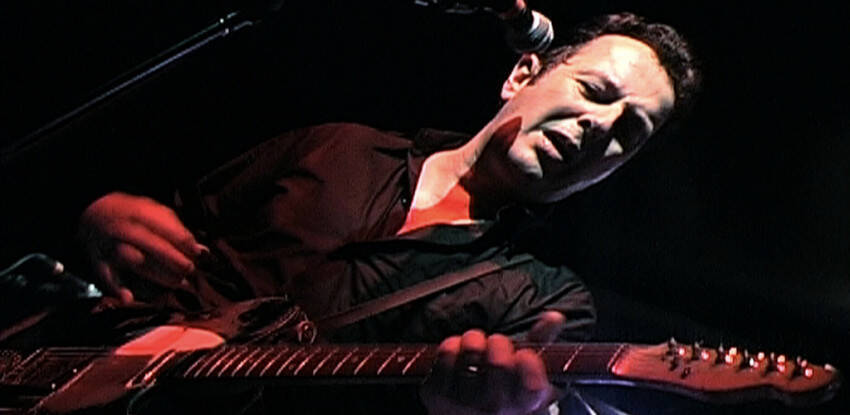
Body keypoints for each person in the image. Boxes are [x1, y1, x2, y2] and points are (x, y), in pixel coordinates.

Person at [74, 11, 700, 415]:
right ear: (521, 74)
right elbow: (165, 227)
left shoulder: (544, 301)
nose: (600, 126)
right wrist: (97, 218)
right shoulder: (339, 146)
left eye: (629, 133)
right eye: (595, 92)